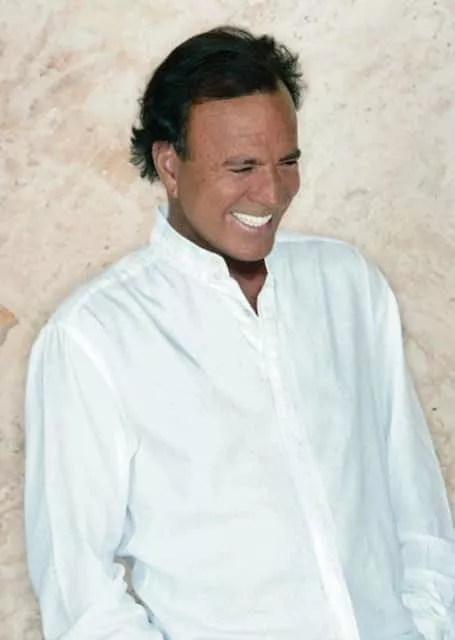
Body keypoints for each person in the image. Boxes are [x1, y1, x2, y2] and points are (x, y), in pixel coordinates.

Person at [24, 25, 455, 640]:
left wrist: (428, 626)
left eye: (288, 162)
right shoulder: (92, 339)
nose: (272, 192)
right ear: (170, 164)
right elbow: (81, 596)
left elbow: (417, 507)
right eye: (242, 166)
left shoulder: (349, 286)